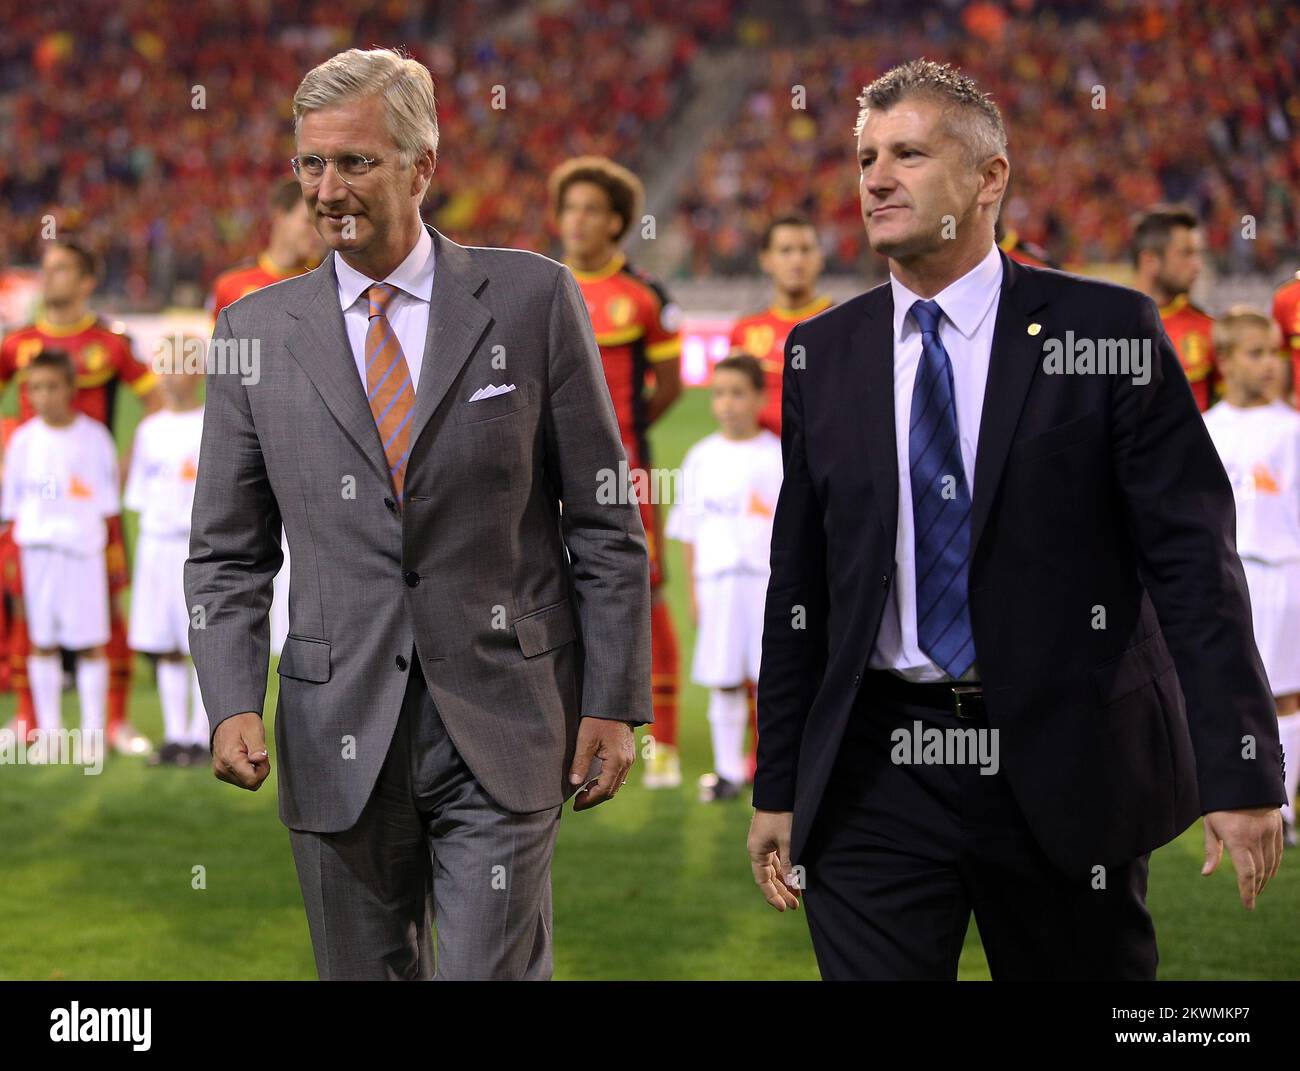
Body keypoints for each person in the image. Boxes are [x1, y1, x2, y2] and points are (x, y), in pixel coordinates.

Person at [747, 59, 1285, 981]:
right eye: (867, 156)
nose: (875, 177)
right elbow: (800, 582)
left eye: (908, 153)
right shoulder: (822, 352)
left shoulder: (1108, 328)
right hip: (877, 771)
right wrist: (782, 778)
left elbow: (1194, 564)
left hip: (1067, 760)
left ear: (989, 177)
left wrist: (1239, 763)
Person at [185, 47, 651, 980]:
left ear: (422, 166)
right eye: (310, 163)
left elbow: (603, 520)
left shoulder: (532, 299)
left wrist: (614, 699)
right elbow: (228, 552)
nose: (327, 188)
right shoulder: (252, 333)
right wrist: (233, 695)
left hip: (505, 717)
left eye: (356, 161)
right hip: (333, 725)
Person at [550, 155, 684, 788]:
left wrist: (614, 437)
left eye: (592, 210)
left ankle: (667, 740)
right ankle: (561, 730)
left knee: (643, 592)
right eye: (570, 208)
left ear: (618, 223)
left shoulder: (643, 296)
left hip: (627, 473)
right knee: (544, 590)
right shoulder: (540, 288)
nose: (577, 221)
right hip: (546, 471)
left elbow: (669, 390)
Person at [0, 240, 157, 757]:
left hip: (91, 505)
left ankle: (113, 722)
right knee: (27, 610)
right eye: (46, 269)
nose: (50, 278)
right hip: (34, 507)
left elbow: (155, 402)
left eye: (63, 269)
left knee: (108, 611)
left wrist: (130, 460)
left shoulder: (108, 343)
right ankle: (30, 720)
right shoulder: (18, 342)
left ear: (87, 281)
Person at [209, 179, 325, 658]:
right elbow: (224, 372)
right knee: (241, 546)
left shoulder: (326, 279)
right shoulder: (233, 288)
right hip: (256, 436)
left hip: (313, 437)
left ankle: (307, 646)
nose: (316, 232)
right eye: (306, 219)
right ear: (278, 216)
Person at [1203, 307, 1300, 845]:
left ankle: (1280, 807)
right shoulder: (1205, 428)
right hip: (1223, 575)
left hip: (1285, 573)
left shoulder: (1292, 430)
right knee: (1224, 690)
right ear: (1224, 361)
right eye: (1256, 353)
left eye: (1276, 354)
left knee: (1284, 695)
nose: (1271, 365)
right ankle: (1224, 793)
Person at [666, 354, 782, 801]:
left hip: (765, 582)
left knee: (769, 679)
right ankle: (727, 771)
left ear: (759, 397)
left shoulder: (776, 456)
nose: (727, 403)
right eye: (719, 394)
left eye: (737, 393)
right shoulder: (702, 457)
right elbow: (689, 529)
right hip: (717, 581)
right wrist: (694, 589)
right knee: (724, 676)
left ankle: (772, 770)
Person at [0, 351, 120, 765]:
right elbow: (12, 506)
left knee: (89, 643)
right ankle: (50, 734)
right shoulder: (22, 441)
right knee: (42, 642)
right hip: (38, 553)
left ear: (70, 388)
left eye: (51, 386)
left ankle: (92, 734)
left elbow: (106, 503)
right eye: (34, 388)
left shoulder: (94, 438)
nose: (42, 395)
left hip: (82, 553)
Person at [125, 343, 208, 767]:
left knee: (200, 641)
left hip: (196, 545)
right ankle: (176, 734)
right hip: (156, 544)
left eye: (181, 367)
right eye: (166, 367)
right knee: (166, 642)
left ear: (200, 372)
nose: (171, 376)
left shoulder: (210, 424)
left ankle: (202, 734)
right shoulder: (148, 430)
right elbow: (139, 493)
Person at [728, 217, 832, 438]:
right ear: (766, 260)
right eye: (786, 250)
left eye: (806, 250)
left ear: (820, 257)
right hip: (761, 465)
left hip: (822, 461)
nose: (797, 260)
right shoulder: (745, 330)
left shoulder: (843, 324)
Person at [1131, 205, 1218, 412]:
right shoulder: (1106, 329)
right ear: (1150, 260)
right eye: (1186, 254)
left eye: (1197, 254)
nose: (1197, 266)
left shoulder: (1208, 329)